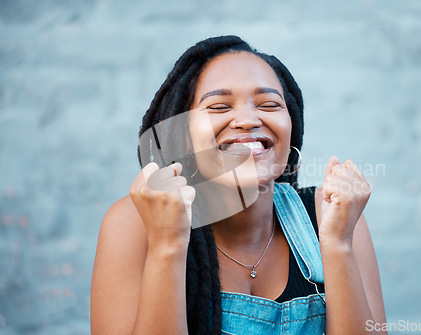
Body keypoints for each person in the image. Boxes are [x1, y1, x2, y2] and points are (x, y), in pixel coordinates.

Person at [90, 35, 387, 335]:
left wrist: (337, 244)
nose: (247, 120)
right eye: (219, 107)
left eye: (269, 104)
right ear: (185, 135)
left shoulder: (334, 216)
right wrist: (167, 244)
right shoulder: (134, 224)